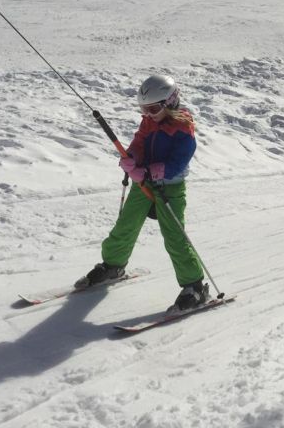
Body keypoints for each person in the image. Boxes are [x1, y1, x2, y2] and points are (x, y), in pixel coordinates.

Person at [75, 75, 209, 313]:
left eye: (153, 109)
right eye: (143, 109)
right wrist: (131, 157)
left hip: (170, 187)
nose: (147, 114)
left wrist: (147, 171)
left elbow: (178, 163)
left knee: (174, 237)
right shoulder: (149, 122)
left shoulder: (183, 129)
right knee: (125, 225)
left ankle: (195, 287)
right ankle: (113, 265)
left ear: (170, 102)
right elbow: (139, 143)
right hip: (143, 183)